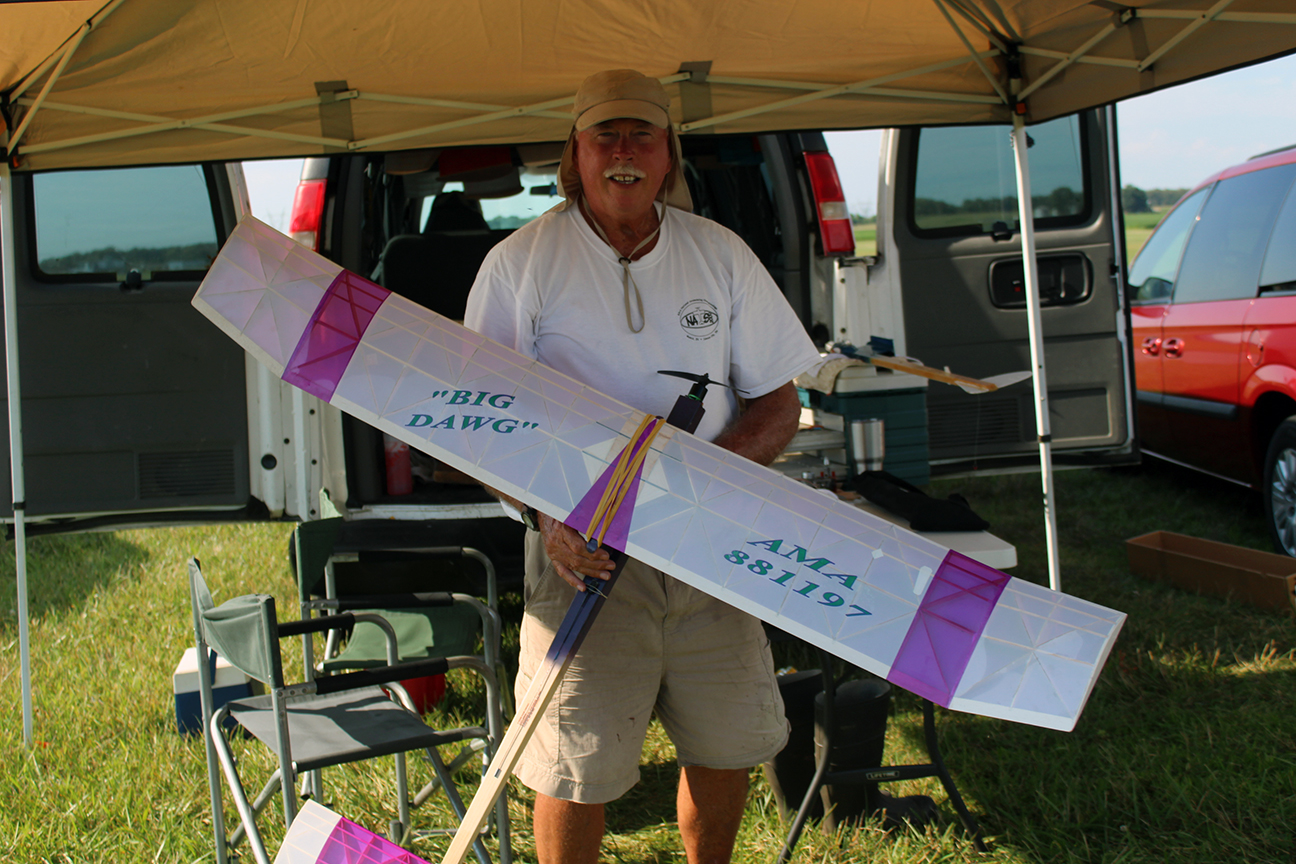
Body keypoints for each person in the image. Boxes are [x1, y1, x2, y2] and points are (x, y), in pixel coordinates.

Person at [463, 69, 823, 864]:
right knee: (573, 766)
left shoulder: (719, 254)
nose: (623, 153)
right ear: (576, 154)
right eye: (606, 137)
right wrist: (546, 516)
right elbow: (481, 422)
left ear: (668, 155)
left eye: (642, 137)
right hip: (585, 555)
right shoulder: (521, 263)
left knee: (726, 746)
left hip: (709, 550)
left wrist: (702, 480)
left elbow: (778, 402)